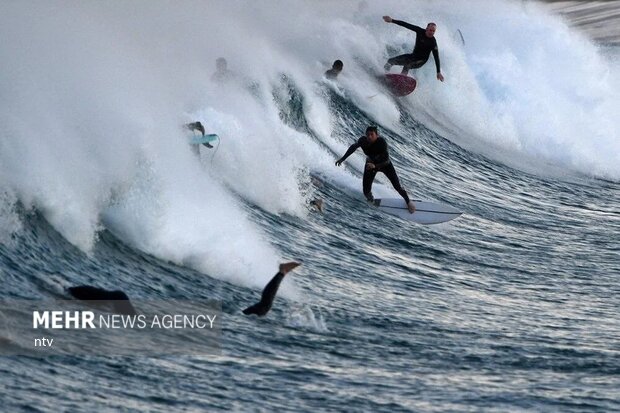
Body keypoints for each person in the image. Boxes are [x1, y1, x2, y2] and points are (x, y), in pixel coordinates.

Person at [335, 126, 415, 213]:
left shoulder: (381, 143)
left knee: (397, 186)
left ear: (377, 135)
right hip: (370, 165)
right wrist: (342, 159)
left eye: (372, 134)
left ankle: (408, 201)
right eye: (368, 134)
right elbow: (353, 147)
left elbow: (387, 160)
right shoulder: (363, 141)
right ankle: (371, 200)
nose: (369, 136)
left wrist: (375, 166)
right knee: (366, 191)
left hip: (385, 165)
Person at [383, 16, 444, 81]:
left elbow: (436, 57)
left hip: (421, 61)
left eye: (433, 31)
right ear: (426, 29)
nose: (431, 32)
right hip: (412, 56)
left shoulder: (433, 42)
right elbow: (406, 25)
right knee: (390, 61)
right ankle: (384, 76)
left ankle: (401, 81)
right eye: (430, 30)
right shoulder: (419, 31)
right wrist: (392, 20)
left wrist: (438, 72)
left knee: (407, 65)